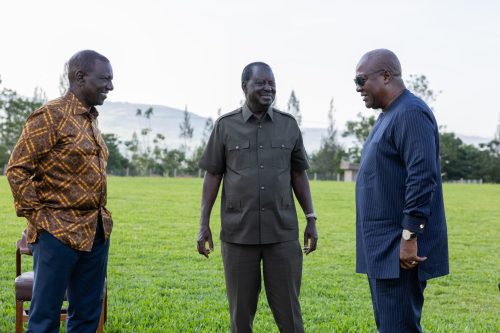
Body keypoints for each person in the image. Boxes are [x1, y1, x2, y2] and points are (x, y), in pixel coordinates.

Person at [197, 62, 318, 333]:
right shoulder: (225, 126)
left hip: (282, 235)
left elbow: (299, 174)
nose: (268, 88)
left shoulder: (288, 125)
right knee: (240, 316)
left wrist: (311, 218)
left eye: (272, 83)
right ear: (244, 87)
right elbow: (213, 176)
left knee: (290, 314)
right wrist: (203, 224)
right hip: (239, 235)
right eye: (261, 83)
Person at [7, 50, 114, 333]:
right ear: (80, 78)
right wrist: (43, 220)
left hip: (95, 232)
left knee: (87, 318)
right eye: (104, 79)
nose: (110, 87)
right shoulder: (50, 115)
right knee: (44, 319)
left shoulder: (90, 118)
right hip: (58, 235)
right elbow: (17, 169)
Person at [354, 49, 449, 332]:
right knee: (390, 325)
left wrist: (409, 235)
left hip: (400, 249)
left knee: (399, 327)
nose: (357, 89)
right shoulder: (388, 115)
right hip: (382, 247)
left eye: (360, 80)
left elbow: (422, 176)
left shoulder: (410, 113)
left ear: (385, 76)